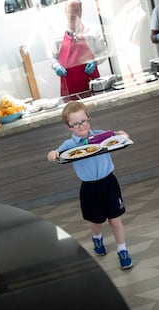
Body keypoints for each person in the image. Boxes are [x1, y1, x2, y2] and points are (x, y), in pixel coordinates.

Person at [47, 101, 133, 269]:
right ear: (68, 127)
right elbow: (52, 155)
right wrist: (53, 155)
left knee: (115, 220)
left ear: (89, 119)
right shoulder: (70, 145)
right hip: (89, 188)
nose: (81, 126)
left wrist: (124, 135)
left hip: (109, 182)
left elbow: (119, 135)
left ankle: (122, 250)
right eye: (76, 124)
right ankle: (97, 237)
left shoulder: (100, 136)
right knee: (96, 220)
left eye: (84, 121)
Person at [51, 0, 108, 96]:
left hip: (92, 83)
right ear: (65, 12)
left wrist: (95, 61)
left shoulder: (91, 32)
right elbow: (53, 57)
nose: (73, 14)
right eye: (70, 10)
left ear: (81, 12)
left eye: (76, 10)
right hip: (69, 86)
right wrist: (56, 66)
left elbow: (104, 52)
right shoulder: (58, 35)